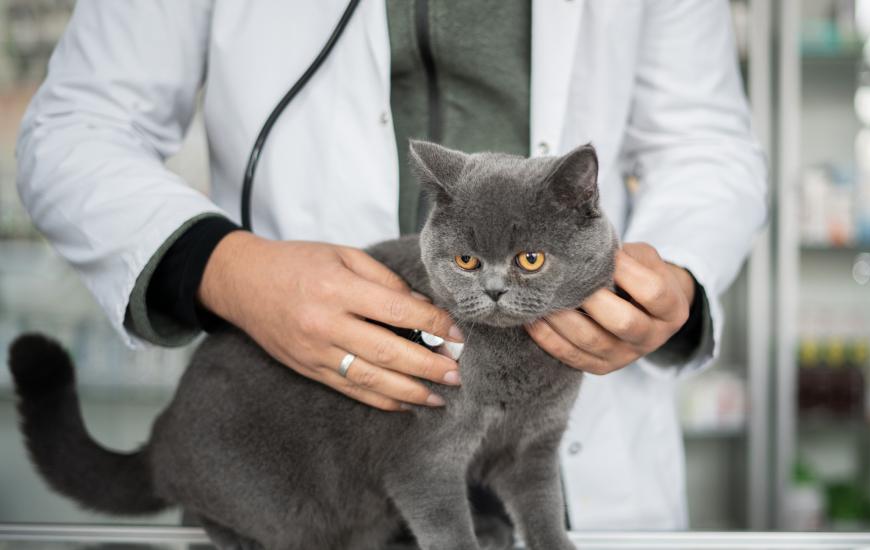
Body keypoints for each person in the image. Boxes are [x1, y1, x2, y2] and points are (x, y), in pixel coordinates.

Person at [16, 0, 766, 531]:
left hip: (582, 455)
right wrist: (227, 269)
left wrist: (674, 283)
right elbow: (76, 128)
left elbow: (706, 145)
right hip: (305, 449)